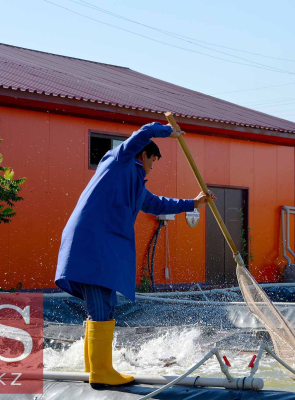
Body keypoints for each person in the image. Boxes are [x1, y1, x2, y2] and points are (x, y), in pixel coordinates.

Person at [54, 122, 214, 386]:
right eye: (153, 160)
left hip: (101, 245)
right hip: (92, 242)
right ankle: (100, 373)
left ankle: (93, 369)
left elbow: (157, 203)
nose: (153, 166)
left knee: (102, 305)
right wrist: (166, 131)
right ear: (143, 155)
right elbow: (142, 133)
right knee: (100, 306)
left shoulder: (136, 185)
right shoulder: (118, 160)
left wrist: (193, 203)